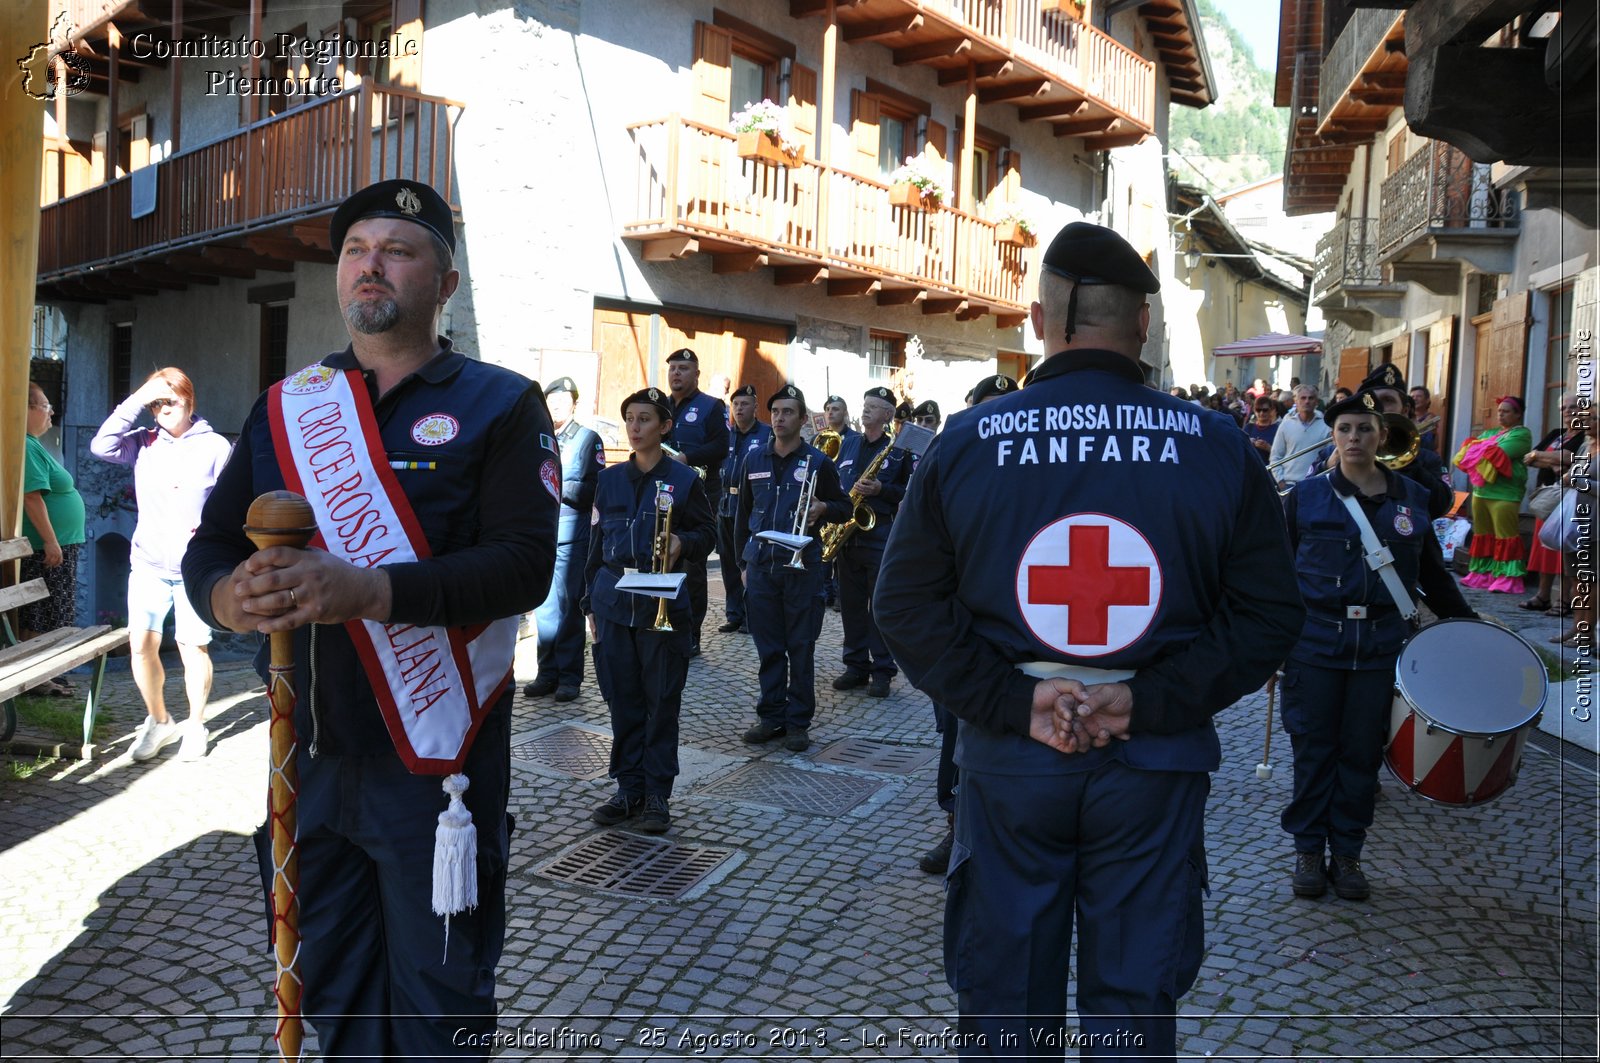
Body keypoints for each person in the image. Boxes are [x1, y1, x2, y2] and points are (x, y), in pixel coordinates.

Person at [876, 222, 1304, 1059]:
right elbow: (1266, 616)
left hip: (1011, 757)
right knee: (1132, 1003)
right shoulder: (1218, 449)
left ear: (1040, 319)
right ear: (1143, 324)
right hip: (1153, 760)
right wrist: (1144, 701)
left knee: (1007, 1003)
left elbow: (904, 606)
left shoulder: (968, 443)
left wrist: (1015, 700)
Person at [182, 179, 558, 1059]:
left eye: (398, 248)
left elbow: (523, 565)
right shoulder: (288, 406)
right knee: (334, 991)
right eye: (356, 249)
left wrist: (372, 590)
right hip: (308, 750)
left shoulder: (500, 403)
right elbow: (210, 541)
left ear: (444, 283)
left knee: (440, 1003)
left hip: (435, 768)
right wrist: (225, 597)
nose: (371, 264)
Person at [1280, 391, 1474, 901]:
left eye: (1364, 429)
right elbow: (1274, 576)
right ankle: (1307, 851)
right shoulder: (1305, 497)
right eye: (1345, 430)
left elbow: (1432, 572)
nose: (1354, 439)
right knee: (1313, 750)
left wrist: (1469, 627)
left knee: (1361, 755)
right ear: (1333, 436)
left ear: (1381, 436)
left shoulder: (1411, 498)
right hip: (1316, 641)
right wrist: (1267, 646)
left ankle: (1347, 856)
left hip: (1383, 646)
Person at [584, 386, 715, 833]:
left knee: (661, 702)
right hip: (615, 604)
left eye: (645, 419)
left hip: (663, 604)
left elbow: (708, 535)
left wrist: (684, 541)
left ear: (665, 426)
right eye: (631, 419)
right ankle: (628, 789)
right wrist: (589, 605)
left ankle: (657, 794)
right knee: (623, 699)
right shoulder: (608, 480)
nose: (635, 427)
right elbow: (596, 546)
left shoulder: (685, 481)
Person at [91, 368, 233, 760]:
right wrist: (137, 399)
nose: (162, 409)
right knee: (141, 645)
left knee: (193, 647)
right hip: (149, 563)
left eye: (169, 400)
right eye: (156, 403)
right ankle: (159, 721)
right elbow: (100, 446)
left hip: (195, 567)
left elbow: (230, 505)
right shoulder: (142, 443)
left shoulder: (216, 447)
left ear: (189, 400)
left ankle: (195, 726)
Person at [916, 373, 1017, 876]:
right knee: (954, 736)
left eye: (1008, 407)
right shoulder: (951, 469)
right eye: (988, 407)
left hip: (1015, 634)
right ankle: (958, 827)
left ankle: (1004, 832)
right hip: (962, 633)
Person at [735, 384, 848, 752]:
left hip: (802, 568)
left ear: (802, 419)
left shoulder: (818, 462)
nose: (781, 418)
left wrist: (823, 509)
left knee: (800, 647)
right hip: (763, 565)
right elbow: (742, 517)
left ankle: (798, 723)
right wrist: (742, 562)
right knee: (768, 647)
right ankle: (771, 717)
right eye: (776, 411)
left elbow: (844, 506)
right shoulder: (753, 460)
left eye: (788, 412)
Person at [524, 376, 605, 702]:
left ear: (574, 403)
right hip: (543, 534)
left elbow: (597, 488)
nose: (555, 406)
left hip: (574, 537)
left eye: (562, 400)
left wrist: (557, 486)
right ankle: (547, 673)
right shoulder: (538, 437)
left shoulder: (588, 439)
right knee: (543, 608)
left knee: (570, 607)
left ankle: (570, 676)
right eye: (551, 400)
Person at [831, 385, 913, 699]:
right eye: (865, 404)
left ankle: (882, 670)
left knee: (878, 606)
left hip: (879, 535)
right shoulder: (848, 444)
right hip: (847, 536)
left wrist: (881, 490)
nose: (866, 410)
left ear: (888, 415)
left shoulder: (898, 450)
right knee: (850, 605)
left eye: (874, 406)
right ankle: (855, 666)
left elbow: (910, 492)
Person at [1306, 365, 1452, 520]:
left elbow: (1442, 506)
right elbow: (1304, 499)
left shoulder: (1425, 458)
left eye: (1388, 400)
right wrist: (1327, 465)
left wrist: (1409, 462)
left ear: (1405, 409)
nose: (1379, 407)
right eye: (1371, 400)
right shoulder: (1333, 452)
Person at [19, 383, 87, 686]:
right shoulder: (26, 445)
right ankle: (37, 677)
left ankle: (45, 674)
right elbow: (31, 496)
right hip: (45, 546)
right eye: (46, 405)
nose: (51, 412)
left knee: (51, 611)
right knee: (42, 612)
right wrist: (50, 540)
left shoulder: (32, 444)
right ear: (28, 409)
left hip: (56, 543)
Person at [663, 349, 729, 655]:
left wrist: (686, 458)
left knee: (692, 565)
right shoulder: (659, 404)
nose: (676, 373)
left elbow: (720, 446)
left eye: (683, 368)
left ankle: (691, 633)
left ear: (696, 374)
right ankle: (663, 622)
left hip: (698, 495)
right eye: (673, 368)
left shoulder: (711, 406)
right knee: (660, 557)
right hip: (662, 492)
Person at [1454, 396, 1534, 593]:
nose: (1500, 414)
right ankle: (1482, 573)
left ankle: (1508, 577)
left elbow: (1495, 454)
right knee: (1483, 535)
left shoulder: (1521, 434)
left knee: (1505, 535)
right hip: (1481, 491)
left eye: (1506, 411)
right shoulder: (1492, 432)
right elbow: (1466, 452)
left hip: (1505, 493)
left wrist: (1477, 448)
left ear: (1518, 414)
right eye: (1499, 410)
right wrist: (1477, 449)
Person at [1521, 394, 1587, 613]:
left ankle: (1564, 600)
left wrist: (1542, 456)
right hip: (1547, 498)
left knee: (1564, 548)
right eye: (1564, 408)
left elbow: (1570, 457)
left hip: (1570, 498)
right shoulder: (1556, 433)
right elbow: (1527, 458)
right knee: (1545, 549)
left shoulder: (1586, 436)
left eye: (1573, 406)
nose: (1568, 411)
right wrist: (1553, 459)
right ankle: (1542, 596)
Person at [716, 384, 772, 635]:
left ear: (755, 407)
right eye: (735, 404)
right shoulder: (725, 435)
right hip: (725, 506)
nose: (739, 409)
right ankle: (734, 614)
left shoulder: (766, 434)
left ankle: (752, 615)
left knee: (749, 562)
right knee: (728, 564)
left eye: (744, 404)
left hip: (751, 508)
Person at [819, 395, 858, 610]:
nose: (831, 412)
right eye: (828, 409)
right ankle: (825, 593)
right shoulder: (820, 438)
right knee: (824, 549)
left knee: (842, 551)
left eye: (836, 409)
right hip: (825, 500)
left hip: (846, 500)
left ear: (845, 413)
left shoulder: (854, 439)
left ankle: (840, 594)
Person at [1269, 385, 1330, 490]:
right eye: (1303, 398)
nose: (1307, 401)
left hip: (1317, 484)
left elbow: (1331, 456)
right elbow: (1275, 456)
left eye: (1311, 398)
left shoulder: (1326, 426)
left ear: (1316, 402)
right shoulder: (1286, 425)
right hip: (1289, 484)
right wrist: (1280, 481)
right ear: (1295, 401)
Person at [1243, 395, 1280, 462]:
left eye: (1265, 410)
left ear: (1271, 410)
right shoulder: (1248, 428)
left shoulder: (1277, 429)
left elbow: (1282, 454)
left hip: (1269, 468)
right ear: (1254, 410)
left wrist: (1268, 448)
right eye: (1258, 410)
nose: (1261, 413)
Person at [1410, 386, 1440, 451]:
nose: (1415, 399)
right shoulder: (1406, 416)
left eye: (1419, 396)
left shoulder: (1432, 418)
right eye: (1412, 397)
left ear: (1427, 400)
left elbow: (1430, 445)